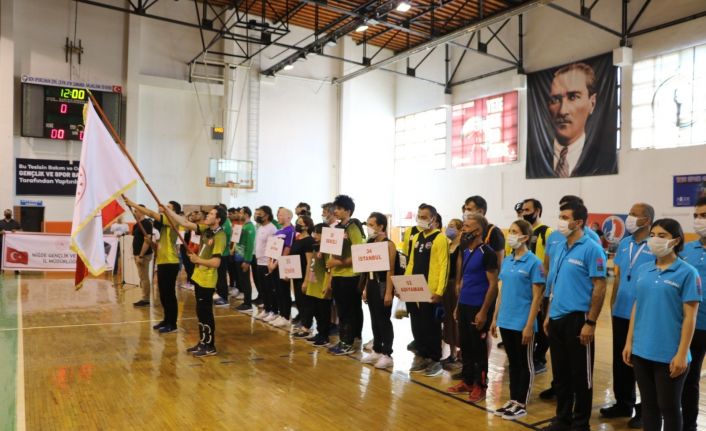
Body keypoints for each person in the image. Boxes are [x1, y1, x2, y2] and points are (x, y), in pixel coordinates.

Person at [623, 218, 701, 431]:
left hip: (669, 354)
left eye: (662, 235)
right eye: (653, 235)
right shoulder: (644, 270)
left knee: (669, 407)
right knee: (649, 407)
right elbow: (637, 306)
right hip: (641, 351)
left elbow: (690, 317)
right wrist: (629, 342)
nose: (654, 239)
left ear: (675, 240)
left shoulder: (688, 273)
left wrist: (682, 354)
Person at [543, 200, 607, 431]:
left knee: (581, 376)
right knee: (561, 374)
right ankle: (563, 419)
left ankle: (580, 423)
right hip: (556, 318)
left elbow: (600, 286)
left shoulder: (592, 248)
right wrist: (549, 315)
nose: (560, 221)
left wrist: (591, 322)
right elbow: (554, 283)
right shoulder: (560, 247)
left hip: (578, 319)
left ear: (578, 222)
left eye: (565, 217)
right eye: (560, 216)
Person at [601, 203, 655, 428]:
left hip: (644, 313)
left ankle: (646, 410)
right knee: (620, 360)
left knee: (641, 363)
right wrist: (612, 303)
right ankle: (623, 403)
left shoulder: (654, 245)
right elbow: (619, 275)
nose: (629, 217)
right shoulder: (624, 244)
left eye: (634, 214)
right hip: (621, 310)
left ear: (647, 220)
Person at [490, 219, 545, 420]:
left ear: (525, 237)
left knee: (525, 363)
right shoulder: (507, 260)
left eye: (514, 232)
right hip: (506, 320)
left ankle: (521, 403)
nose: (510, 235)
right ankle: (513, 400)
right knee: (513, 363)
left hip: (523, 322)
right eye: (510, 231)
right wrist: (494, 318)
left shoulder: (535, 263)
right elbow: (502, 292)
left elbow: (537, 297)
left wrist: (530, 325)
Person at [530, 62, 615, 178]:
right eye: (555, 100)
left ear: (592, 103)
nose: (562, 111)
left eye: (573, 97)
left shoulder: (606, 161)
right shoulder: (535, 161)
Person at [446, 213, 498, 402]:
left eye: (467, 227)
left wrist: (484, 312)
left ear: (477, 231)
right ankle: (467, 381)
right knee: (466, 345)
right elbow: (464, 282)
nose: (463, 230)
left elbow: (493, 285)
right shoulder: (465, 250)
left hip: (479, 307)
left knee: (478, 349)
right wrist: (457, 306)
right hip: (464, 304)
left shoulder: (488, 253)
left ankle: (480, 385)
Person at [166, 205, 228, 357]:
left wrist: (198, 259)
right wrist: (168, 211)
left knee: (206, 313)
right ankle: (203, 342)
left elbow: (216, 262)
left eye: (211, 214)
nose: (207, 216)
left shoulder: (220, 236)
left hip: (207, 280)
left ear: (218, 219)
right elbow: (185, 223)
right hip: (199, 277)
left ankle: (210, 345)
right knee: (200, 312)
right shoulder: (206, 229)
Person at [124, 197, 182, 334]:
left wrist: (133, 204)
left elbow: (150, 213)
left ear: (174, 212)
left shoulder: (172, 220)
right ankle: (166, 320)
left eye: (168, 207)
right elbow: (159, 247)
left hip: (170, 262)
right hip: (162, 261)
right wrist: (151, 243)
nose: (163, 207)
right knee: (163, 294)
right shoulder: (163, 227)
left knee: (169, 294)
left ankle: (172, 324)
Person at [406, 203, 449, 377]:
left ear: (433, 219)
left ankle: (435, 359)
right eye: (419, 216)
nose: (420, 220)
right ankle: (422, 355)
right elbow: (411, 262)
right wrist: (404, 284)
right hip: (414, 290)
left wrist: (439, 291)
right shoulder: (416, 237)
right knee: (417, 325)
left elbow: (444, 265)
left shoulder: (439, 238)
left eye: (424, 217)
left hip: (430, 291)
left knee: (431, 327)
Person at [326, 195, 365, 356]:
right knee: (342, 310)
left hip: (350, 276)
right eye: (336, 208)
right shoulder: (337, 228)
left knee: (349, 310)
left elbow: (358, 253)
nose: (336, 211)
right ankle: (345, 339)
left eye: (340, 208)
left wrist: (338, 263)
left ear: (348, 211)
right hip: (338, 275)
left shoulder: (353, 227)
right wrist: (331, 274)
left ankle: (349, 342)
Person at [680, 197, 706, 431]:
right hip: (694, 327)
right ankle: (689, 426)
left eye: (704, 216)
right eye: (696, 215)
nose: (699, 220)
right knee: (689, 380)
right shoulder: (686, 250)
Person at [359, 212, 397, 370]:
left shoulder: (389, 244)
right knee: (374, 318)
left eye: (371, 225)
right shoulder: (370, 242)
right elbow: (368, 268)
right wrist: (366, 288)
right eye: (367, 224)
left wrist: (388, 292)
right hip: (372, 283)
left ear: (381, 226)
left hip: (383, 284)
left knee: (383, 319)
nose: (368, 228)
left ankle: (387, 354)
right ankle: (377, 349)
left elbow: (390, 270)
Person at [521, 198, 553, 373]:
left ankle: (540, 358)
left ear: (538, 211)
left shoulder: (546, 232)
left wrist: (545, 289)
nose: (524, 213)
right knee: (528, 322)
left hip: (541, 286)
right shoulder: (522, 232)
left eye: (528, 210)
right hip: (524, 287)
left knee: (541, 325)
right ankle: (529, 354)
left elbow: (549, 263)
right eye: (523, 210)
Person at [302, 223, 333, 347]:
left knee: (323, 312)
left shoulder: (328, 249)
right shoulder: (316, 247)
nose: (315, 235)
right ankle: (320, 333)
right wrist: (307, 282)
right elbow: (312, 265)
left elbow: (329, 269)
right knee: (316, 311)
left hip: (322, 286)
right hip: (313, 285)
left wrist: (327, 285)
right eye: (315, 232)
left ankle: (325, 336)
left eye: (318, 233)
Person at [269, 208, 296, 328]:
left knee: (284, 290)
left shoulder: (290, 230)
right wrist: (270, 262)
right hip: (274, 264)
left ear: (288, 217)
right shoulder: (278, 231)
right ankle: (281, 314)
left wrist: (276, 264)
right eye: (278, 215)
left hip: (283, 264)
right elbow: (272, 248)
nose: (278, 217)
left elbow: (287, 249)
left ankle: (286, 316)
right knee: (277, 290)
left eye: (280, 215)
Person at [442, 218, 463, 369]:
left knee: (457, 319)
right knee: (448, 319)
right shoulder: (448, 246)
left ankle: (461, 353)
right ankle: (452, 352)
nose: (449, 229)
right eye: (448, 226)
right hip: (446, 284)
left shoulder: (461, 247)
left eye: (452, 226)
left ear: (460, 230)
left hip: (455, 284)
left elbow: (459, 268)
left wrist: (457, 284)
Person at [290, 215, 316, 336]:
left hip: (304, 276)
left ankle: (307, 327)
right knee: (299, 301)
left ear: (307, 226)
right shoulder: (297, 239)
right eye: (297, 222)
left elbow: (309, 262)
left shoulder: (309, 241)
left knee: (306, 303)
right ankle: (303, 324)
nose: (297, 224)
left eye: (300, 223)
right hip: (296, 275)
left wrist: (306, 280)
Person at [463, 195, 505, 266]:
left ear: (480, 212)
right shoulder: (467, 230)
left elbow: (499, 262)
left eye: (469, 209)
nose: (466, 212)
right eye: (465, 209)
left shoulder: (494, 232)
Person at [253, 206, 278, 321]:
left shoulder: (272, 228)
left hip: (267, 263)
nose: (257, 216)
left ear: (267, 215)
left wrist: (270, 262)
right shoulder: (260, 227)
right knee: (262, 289)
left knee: (269, 289)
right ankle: (267, 309)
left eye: (260, 214)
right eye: (257, 214)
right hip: (259, 262)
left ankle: (274, 311)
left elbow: (273, 247)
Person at [233, 207, 256, 313]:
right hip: (238, 257)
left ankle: (248, 303)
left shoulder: (250, 227)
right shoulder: (243, 226)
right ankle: (245, 302)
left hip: (243, 258)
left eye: (241, 213)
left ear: (246, 215)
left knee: (246, 281)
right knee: (242, 280)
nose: (239, 214)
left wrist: (247, 261)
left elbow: (250, 245)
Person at [131, 209, 153, 308]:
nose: (134, 213)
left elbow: (147, 241)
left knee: (144, 278)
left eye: (136, 211)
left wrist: (141, 255)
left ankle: (146, 299)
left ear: (142, 212)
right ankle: (144, 297)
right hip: (137, 255)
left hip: (143, 255)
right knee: (142, 277)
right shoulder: (137, 224)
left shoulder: (146, 223)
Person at [214, 203, 232, 307]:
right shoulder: (223, 223)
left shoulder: (225, 224)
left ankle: (224, 298)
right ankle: (219, 296)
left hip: (223, 254)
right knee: (218, 277)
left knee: (221, 277)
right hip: (219, 253)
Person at [0, 209, 22, 274]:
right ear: (4, 214)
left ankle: (16, 269)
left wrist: (16, 231)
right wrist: (0, 232)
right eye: (7, 213)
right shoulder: (0, 222)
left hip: (13, 244)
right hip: (2, 243)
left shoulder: (16, 222)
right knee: (1, 256)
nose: (8, 214)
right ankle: (1, 269)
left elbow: (21, 230)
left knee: (15, 255)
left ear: (11, 214)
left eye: (9, 213)